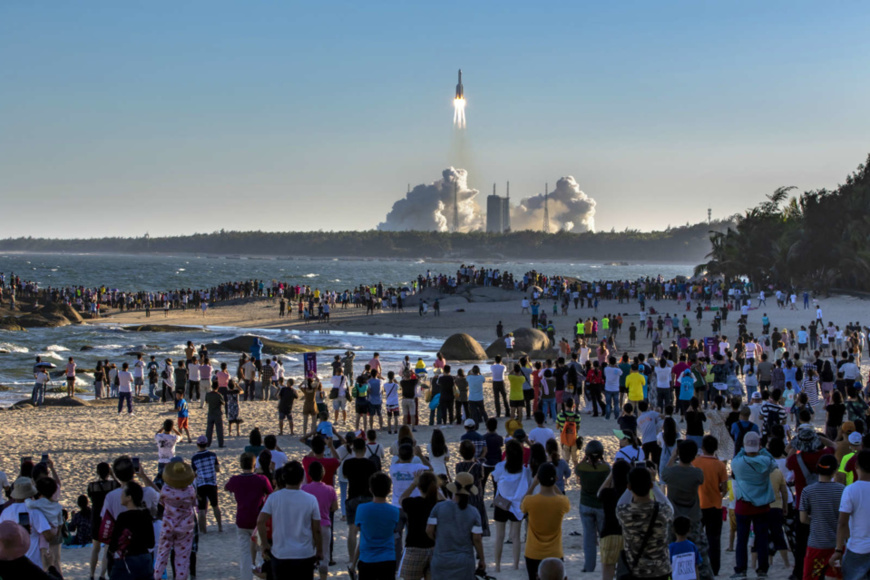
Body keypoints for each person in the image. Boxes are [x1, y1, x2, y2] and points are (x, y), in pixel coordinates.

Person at [257, 461, 322, 578]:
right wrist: (319, 550)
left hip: (281, 553)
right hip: (304, 554)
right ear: (302, 477)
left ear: (283, 477)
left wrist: (265, 544)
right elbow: (316, 529)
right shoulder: (311, 499)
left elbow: (260, 521)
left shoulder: (273, 498)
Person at [661, 440, 714, 580]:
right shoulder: (697, 474)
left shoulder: (671, 473)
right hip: (693, 518)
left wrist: (673, 457)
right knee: (700, 554)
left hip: (674, 519)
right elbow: (698, 475)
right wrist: (690, 459)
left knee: (670, 553)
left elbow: (663, 474)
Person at [615, 466, 674, 580]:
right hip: (660, 570)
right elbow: (669, 505)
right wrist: (654, 482)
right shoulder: (663, 511)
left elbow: (620, 503)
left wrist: (630, 485)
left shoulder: (624, 512)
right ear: (650, 486)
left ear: (629, 486)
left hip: (635, 571)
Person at [730, 432, 775, 578]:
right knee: (762, 539)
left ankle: (741, 570)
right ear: (759, 445)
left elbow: (736, 458)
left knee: (741, 540)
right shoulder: (765, 460)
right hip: (762, 505)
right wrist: (761, 449)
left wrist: (744, 449)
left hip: (744, 505)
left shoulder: (738, 463)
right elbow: (773, 461)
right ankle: (762, 570)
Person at [426, 472, 486, 579]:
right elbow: (477, 539)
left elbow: (429, 531)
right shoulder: (473, 512)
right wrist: (482, 559)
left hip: (441, 558)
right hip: (464, 561)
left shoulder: (438, 507)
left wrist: (438, 542)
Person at [224, 452, 273, 580]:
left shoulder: (235, 480)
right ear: (254, 464)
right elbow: (271, 493)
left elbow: (227, 487)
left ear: (241, 464)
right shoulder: (261, 479)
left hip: (242, 519)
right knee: (262, 552)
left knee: (245, 554)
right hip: (258, 521)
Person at [521, 462, 570, 580]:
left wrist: (533, 485)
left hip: (533, 552)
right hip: (555, 552)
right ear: (556, 479)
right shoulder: (562, 502)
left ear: (538, 478)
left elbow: (522, 505)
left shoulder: (530, 501)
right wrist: (554, 484)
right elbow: (564, 499)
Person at [799, 454, 843, 580]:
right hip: (836, 546)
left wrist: (815, 522)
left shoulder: (807, 491)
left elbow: (803, 519)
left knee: (810, 576)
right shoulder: (842, 490)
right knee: (835, 576)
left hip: (816, 545)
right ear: (834, 470)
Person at [350, 472, 400, 580]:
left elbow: (360, 530)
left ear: (371, 489)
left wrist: (353, 563)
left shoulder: (362, 509)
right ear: (389, 490)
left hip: (367, 559)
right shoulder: (394, 511)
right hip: (388, 559)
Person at [153, 460, 198, 580]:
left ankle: (157, 576)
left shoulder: (166, 490)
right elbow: (195, 503)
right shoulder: (190, 490)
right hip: (185, 526)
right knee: (182, 558)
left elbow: (162, 502)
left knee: (162, 554)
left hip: (168, 524)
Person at [492, 439, 532, 572]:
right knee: (516, 536)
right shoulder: (524, 470)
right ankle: (515, 565)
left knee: (499, 536)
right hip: (517, 505)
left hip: (502, 503)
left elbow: (495, 478)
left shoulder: (500, 467)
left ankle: (497, 566)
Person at [830, 449, 870, 578]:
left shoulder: (851, 490)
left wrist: (838, 549)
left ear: (856, 466)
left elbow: (842, 522)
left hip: (857, 548)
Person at [694, 435, 728, 577]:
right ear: (715, 448)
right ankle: (715, 568)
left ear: (702, 447)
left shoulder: (695, 462)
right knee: (714, 540)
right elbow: (725, 487)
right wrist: (719, 493)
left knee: (696, 539)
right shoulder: (720, 465)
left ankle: (698, 566)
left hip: (698, 505)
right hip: (715, 506)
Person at [0, 477, 51, 568]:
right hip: (33, 562)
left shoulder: (6, 512)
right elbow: (48, 535)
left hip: (12, 561)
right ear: (31, 494)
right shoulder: (34, 511)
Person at [107, 482, 155, 580]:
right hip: (144, 559)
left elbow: (113, 544)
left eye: (123, 492)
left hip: (127, 560)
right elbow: (151, 543)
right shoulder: (146, 516)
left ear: (129, 497)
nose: (121, 495)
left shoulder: (122, 517)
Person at [575, 440, 610, 573]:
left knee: (589, 538)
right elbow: (609, 470)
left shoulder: (582, 469)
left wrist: (585, 459)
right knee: (604, 537)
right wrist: (602, 460)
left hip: (586, 504)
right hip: (601, 505)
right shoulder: (605, 469)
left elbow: (577, 469)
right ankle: (607, 564)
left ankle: (589, 567)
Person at [399, 470, 440, 580]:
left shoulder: (414, 503)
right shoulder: (439, 505)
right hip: (435, 548)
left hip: (415, 547)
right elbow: (446, 502)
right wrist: (436, 489)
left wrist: (413, 484)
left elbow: (401, 499)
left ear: (419, 487)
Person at [343, 438, 378, 564]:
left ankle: (352, 558)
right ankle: (366, 554)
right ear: (364, 449)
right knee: (367, 530)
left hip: (352, 496)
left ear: (353, 449)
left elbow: (345, 476)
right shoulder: (370, 464)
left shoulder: (348, 463)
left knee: (352, 530)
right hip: (367, 497)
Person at [302, 461, 339, 580]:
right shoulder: (330, 489)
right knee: (324, 557)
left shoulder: (305, 488)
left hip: (309, 526)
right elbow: (335, 507)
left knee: (308, 555)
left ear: (310, 475)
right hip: (324, 524)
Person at [598, 460, 630, 580]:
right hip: (626, 535)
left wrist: (611, 474)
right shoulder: (630, 495)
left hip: (609, 535)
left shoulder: (608, 493)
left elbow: (599, 493)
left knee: (607, 573)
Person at [87, 461, 120, 579]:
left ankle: (91, 575)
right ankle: (102, 575)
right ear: (108, 472)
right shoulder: (112, 485)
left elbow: (91, 497)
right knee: (107, 548)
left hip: (95, 517)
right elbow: (120, 486)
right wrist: (113, 475)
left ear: (97, 472)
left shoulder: (92, 486)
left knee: (95, 549)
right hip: (107, 517)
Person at [191, 435, 222, 534]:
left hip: (201, 485)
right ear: (206, 444)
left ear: (197, 445)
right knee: (215, 505)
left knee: (201, 509)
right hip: (212, 483)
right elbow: (217, 469)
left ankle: (203, 530)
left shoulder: (194, 458)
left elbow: (193, 473)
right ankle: (220, 527)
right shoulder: (213, 455)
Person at [204, 381, 225, 448]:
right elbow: (223, 403)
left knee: (209, 430)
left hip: (210, 413)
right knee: (219, 430)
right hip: (217, 414)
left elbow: (206, 402)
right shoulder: (219, 395)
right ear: (218, 387)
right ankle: (220, 444)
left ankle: (208, 443)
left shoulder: (208, 394)